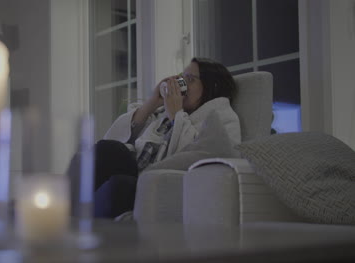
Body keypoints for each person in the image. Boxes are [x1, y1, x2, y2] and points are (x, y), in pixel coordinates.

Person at [70, 58, 241, 218]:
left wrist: (176, 115)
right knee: (103, 153)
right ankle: (66, 217)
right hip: (137, 172)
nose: (182, 85)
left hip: (159, 183)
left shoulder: (222, 117)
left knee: (119, 185)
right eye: (181, 78)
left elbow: (201, 155)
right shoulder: (164, 112)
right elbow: (117, 136)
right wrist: (153, 102)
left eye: (190, 79)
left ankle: (68, 221)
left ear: (213, 85)